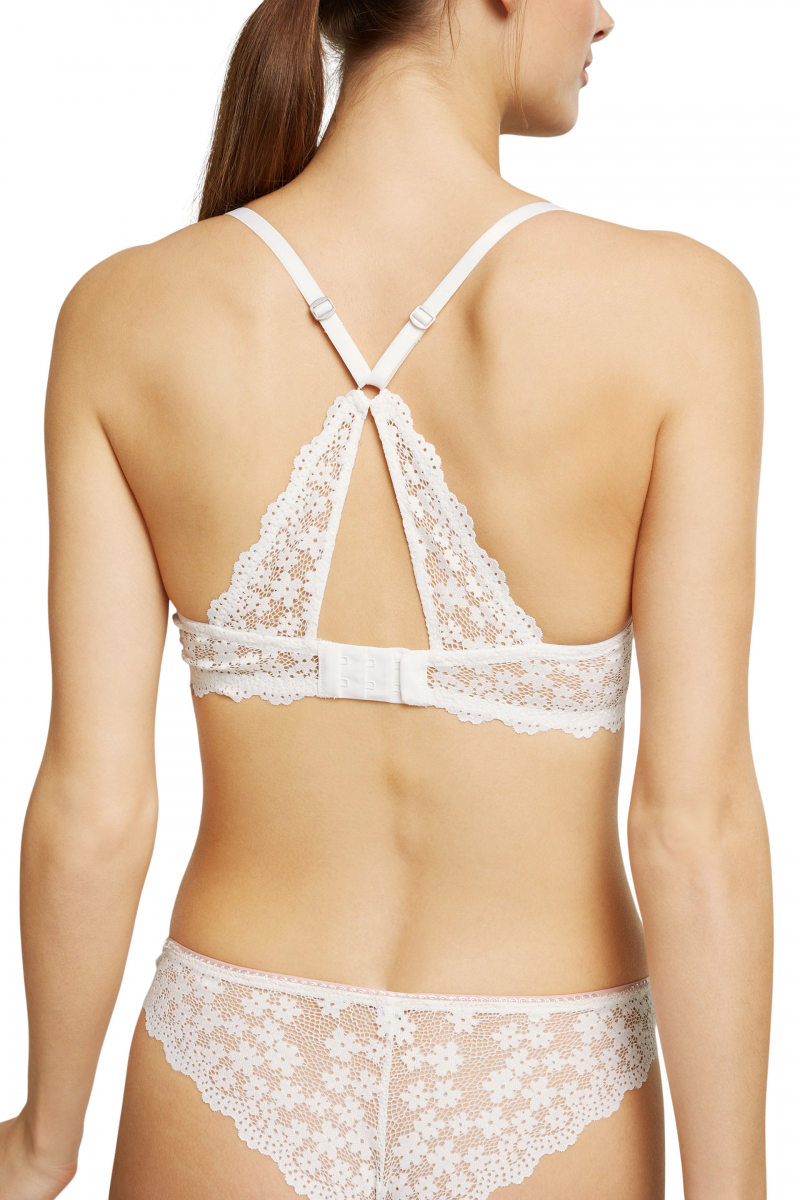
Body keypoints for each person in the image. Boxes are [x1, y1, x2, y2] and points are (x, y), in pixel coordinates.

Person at [0, 1, 772, 1197]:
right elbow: (692, 825)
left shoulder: (124, 312)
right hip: (545, 1064)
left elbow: (95, 809)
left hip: (234, 1048)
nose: (604, 17)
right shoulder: (677, 307)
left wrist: (44, 1141)